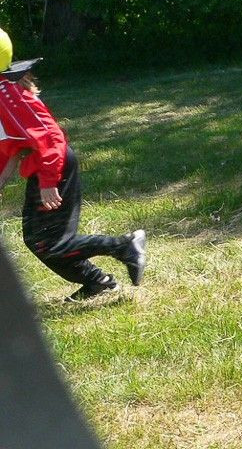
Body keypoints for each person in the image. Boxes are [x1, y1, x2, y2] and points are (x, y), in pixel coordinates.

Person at [0, 29, 147, 301]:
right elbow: (14, 144)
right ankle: (98, 282)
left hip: (54, 165)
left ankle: (124, 246)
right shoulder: (4, 90)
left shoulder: (6, 94)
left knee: (50, 242)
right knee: (40, 241)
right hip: (46, 166)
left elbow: (50, 135)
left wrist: (49, 180)